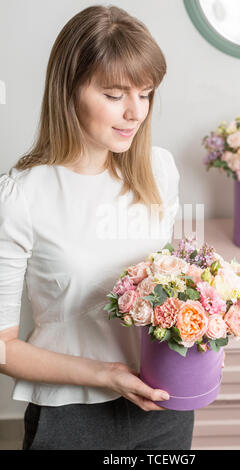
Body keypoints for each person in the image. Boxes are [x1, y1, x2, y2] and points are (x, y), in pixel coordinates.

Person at [0, 5, 195, 450]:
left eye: (145, 93)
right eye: (113, 95)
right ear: (68, 91)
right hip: (70, 417)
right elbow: (3, 345)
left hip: (164, 405)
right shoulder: (20, 197)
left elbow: (169, 287)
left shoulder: (158, 170)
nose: (135, 112)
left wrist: (204, 341)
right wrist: (104, 374)